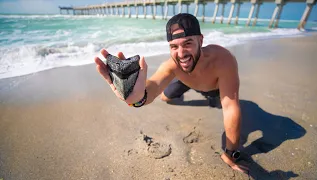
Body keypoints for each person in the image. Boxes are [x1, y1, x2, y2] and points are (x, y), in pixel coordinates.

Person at [94, 13, 248, 174]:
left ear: (200, 41)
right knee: (165, 97)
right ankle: (182, 89)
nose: (181, 54)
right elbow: (151, 88)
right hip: (185, 81)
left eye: (187, 43)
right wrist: (136, 97)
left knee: (221, 103)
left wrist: (231, 153)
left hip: (213, 88)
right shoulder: (172, 66)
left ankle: (209, 96)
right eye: (174, 46)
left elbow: (230, 107)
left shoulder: (223, 60)